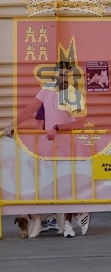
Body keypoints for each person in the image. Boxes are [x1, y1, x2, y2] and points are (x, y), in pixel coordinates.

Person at [2, 62, 91, 238]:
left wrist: (57, 127)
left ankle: (70, 220)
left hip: (69, 146)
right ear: (55, 75)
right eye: (62, 75)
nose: (64, 78)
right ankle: (65, 218)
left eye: (68, 75)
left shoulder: (74, 94)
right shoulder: (47, 89)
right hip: (51, 146)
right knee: (51, 185)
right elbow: (30, 109)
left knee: (66, 186)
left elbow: (80, 122)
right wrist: (12, 125)